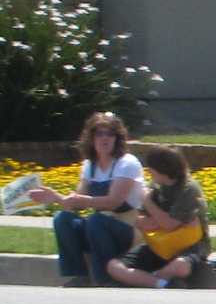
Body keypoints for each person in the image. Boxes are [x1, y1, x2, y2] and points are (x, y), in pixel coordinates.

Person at [28, 113, 143, 287]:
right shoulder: (89, 165)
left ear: (118, 138)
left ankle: (103, 278)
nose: (105, 138)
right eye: (99, 134)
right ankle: (79, 276)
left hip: (129, 231)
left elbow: (113, 202)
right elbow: (79, 205)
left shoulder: (127, 163)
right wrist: (57, 198)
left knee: (96, 221)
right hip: (100, 229)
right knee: (64, 219)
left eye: (110, 134)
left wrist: (78, 199)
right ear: (91, 138)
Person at [105, 147, 210, 288]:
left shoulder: (189, 188)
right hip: (159, 245)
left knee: (181, 266)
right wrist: (169, 221)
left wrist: (148, 202)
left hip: (190, 246)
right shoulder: (155, 187)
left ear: (163, 168)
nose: (149, 171)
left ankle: (147, 278)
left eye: (151, 167)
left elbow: (170, 225)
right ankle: (162, 283)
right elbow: (140, 222)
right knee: (114, 266)